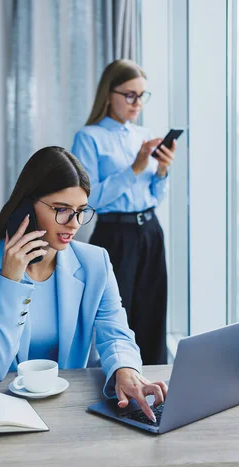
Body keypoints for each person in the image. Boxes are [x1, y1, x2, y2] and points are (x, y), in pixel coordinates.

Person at [0, 146, 167, 467]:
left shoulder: (94, 261)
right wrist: (10, 280)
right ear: (27, 206)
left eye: (81, 210)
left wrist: (126, 370)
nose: (73, 223)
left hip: (67, 420)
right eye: (61, 209)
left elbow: (115, 330)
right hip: (3, 422)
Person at [72, 60, 176, 365]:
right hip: (115, 234)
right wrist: (134, 169)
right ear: (109, 94)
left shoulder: (142, 135)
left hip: (150, 230)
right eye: (130, 95)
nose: (137, 103)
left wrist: (162, 172)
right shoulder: (88, 137)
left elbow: (154, 197)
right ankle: (116, 381)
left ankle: (155, 389)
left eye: (142, 95)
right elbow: (89, 200)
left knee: (153, 311)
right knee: (117, 314)